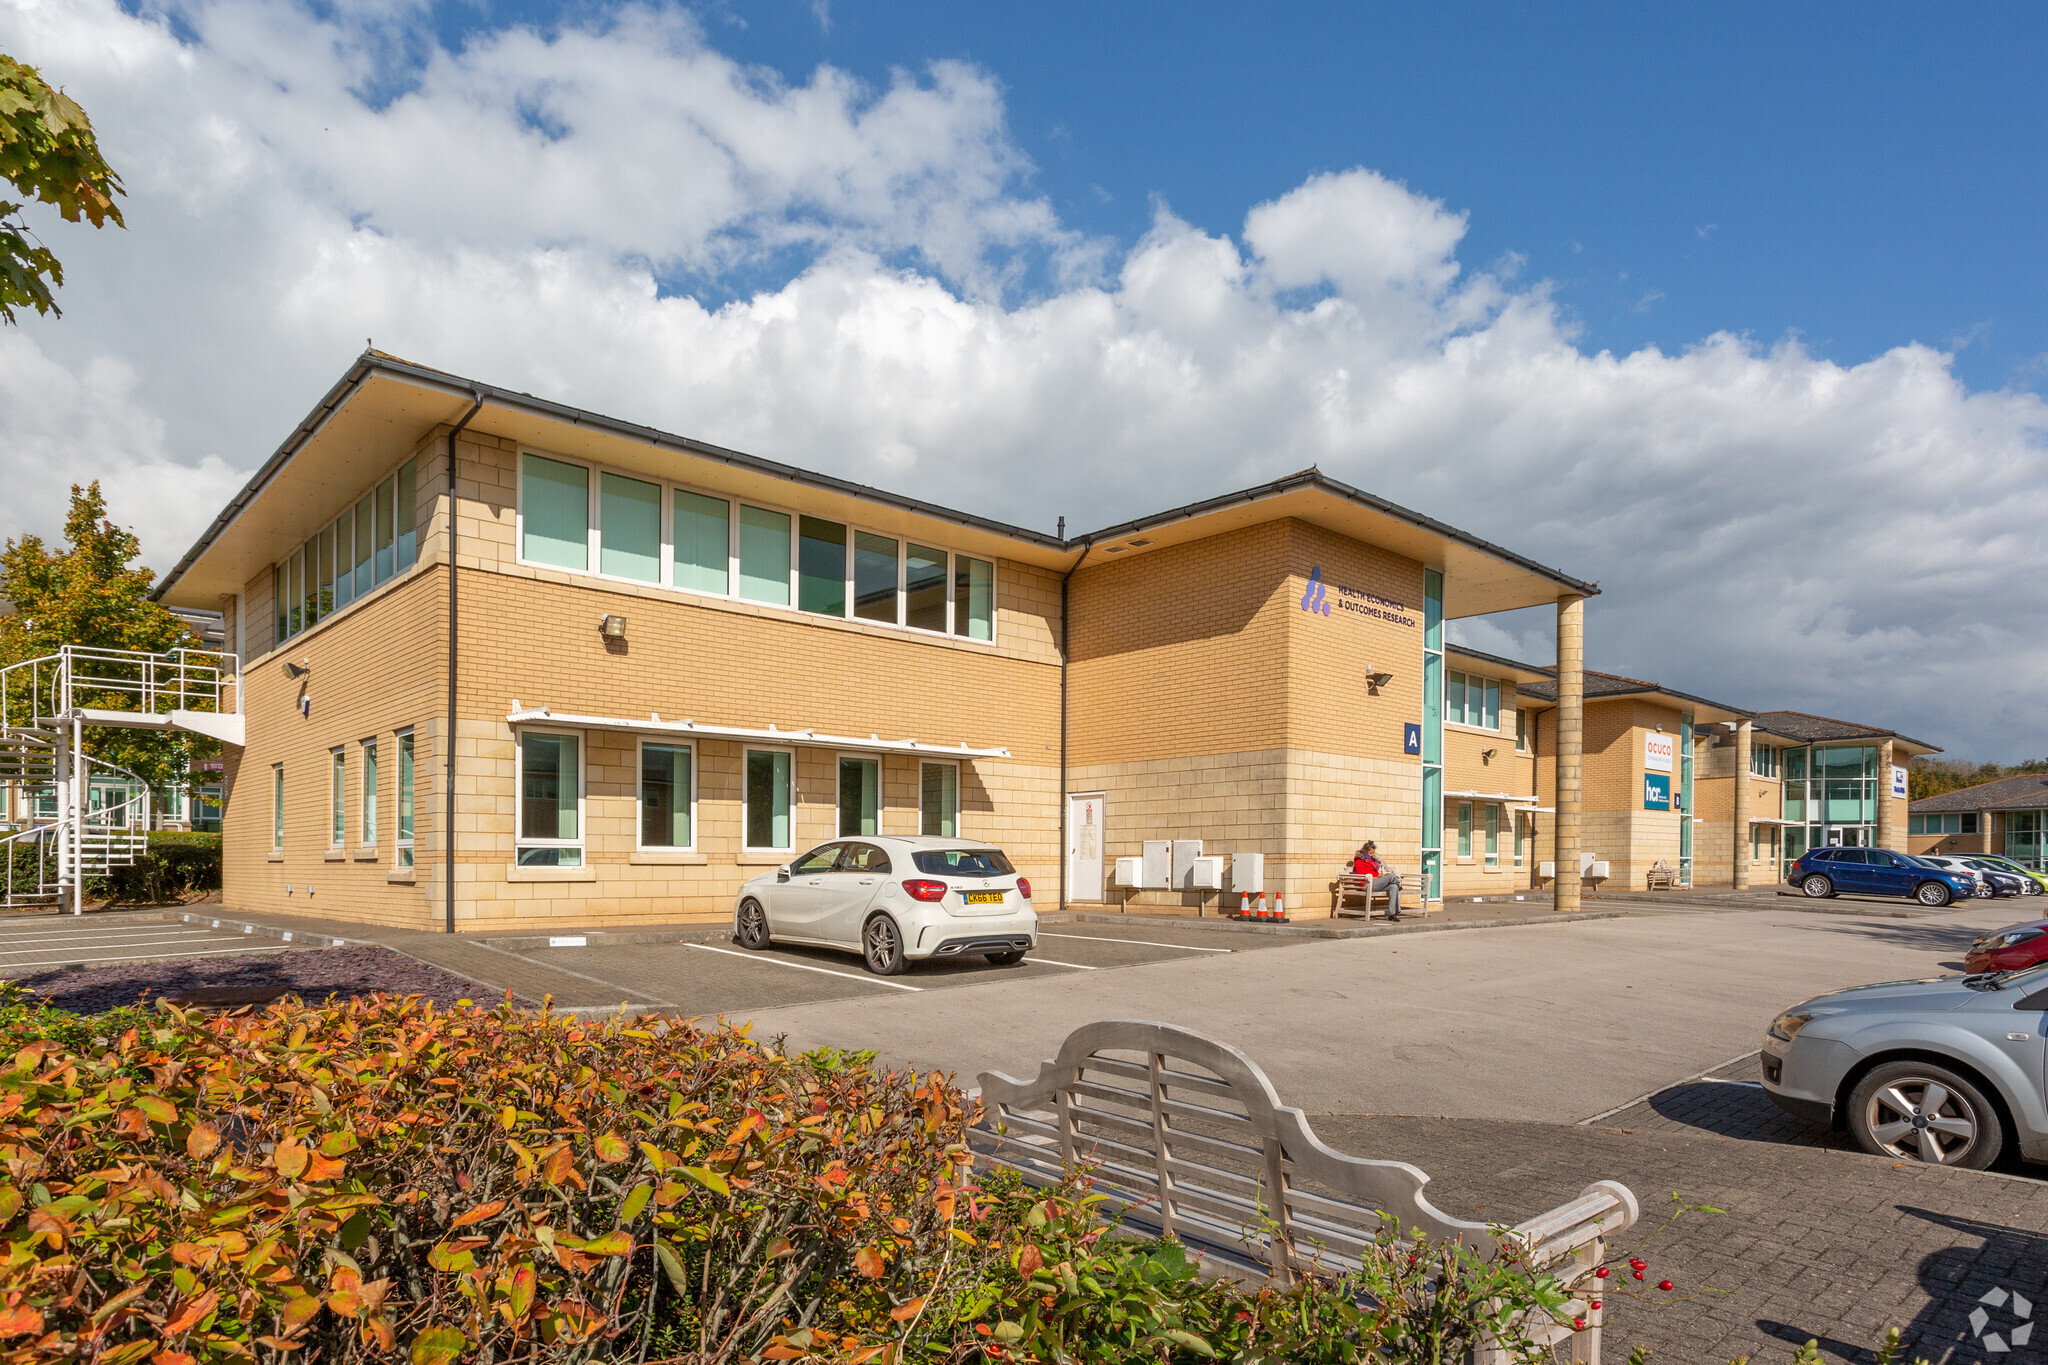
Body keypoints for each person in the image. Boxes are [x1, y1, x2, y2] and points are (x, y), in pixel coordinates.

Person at [1351, 841, 1401, 920]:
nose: (1372, 855)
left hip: (1375, 883)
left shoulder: (1372, 860)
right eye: (1371, 853)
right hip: (1366, 885)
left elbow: (1374, 873)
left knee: (1393, 887)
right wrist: (1376, 878)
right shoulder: (1359, 861)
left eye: (1373, 853)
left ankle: (1392, 914)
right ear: (1365, 851)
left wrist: (1379, 876)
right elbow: (1362, 877)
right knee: (1391, 876)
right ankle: (1399, 884)